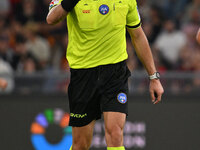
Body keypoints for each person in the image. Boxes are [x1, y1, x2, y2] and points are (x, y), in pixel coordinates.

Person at [47, 0, 164, 150]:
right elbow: (51, 19)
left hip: (115, 73)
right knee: (80, 144)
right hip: (83, 75)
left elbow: (138, 35)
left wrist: (153, 77)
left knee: (115, 134)